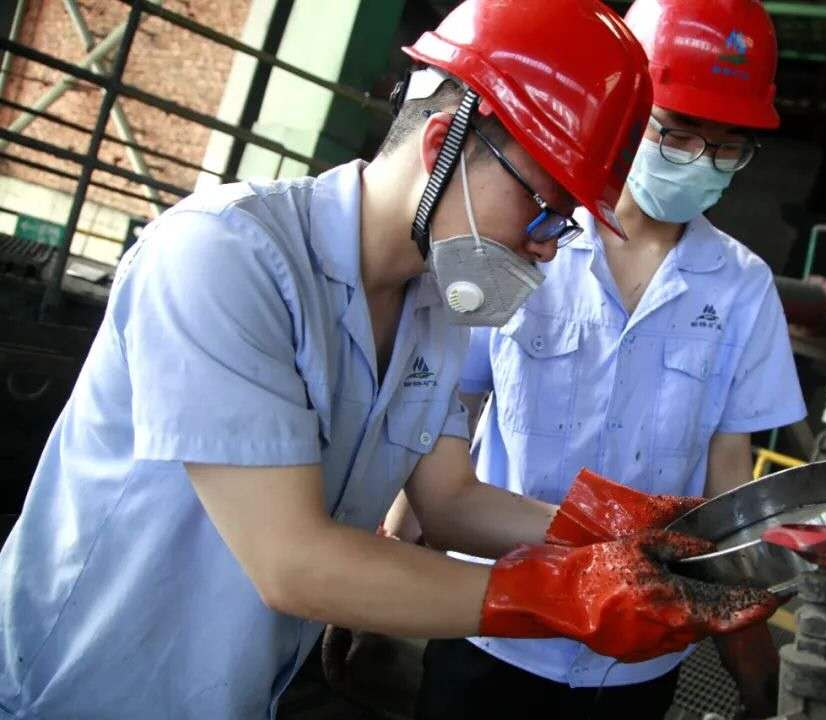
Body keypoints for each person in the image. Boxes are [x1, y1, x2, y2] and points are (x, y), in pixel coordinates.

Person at [0, 2, 779, 718]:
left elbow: (452, 503)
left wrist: (625, 534)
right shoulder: (224, 256)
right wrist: (561, 595)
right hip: (76, 691)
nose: (548, 245)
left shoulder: (434, 310)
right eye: (545, 206)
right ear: (443, 146)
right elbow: (294, 562)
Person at [412, 1, 807, 718]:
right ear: (625, 114)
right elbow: (444, 412)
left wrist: (749, 648)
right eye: (678, 133)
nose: (701, 160)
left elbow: (727, 478)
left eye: (727, 147)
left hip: (636, 656)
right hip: (491, 623)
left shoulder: (743, 288)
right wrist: (389, 551)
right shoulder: (531, 235)